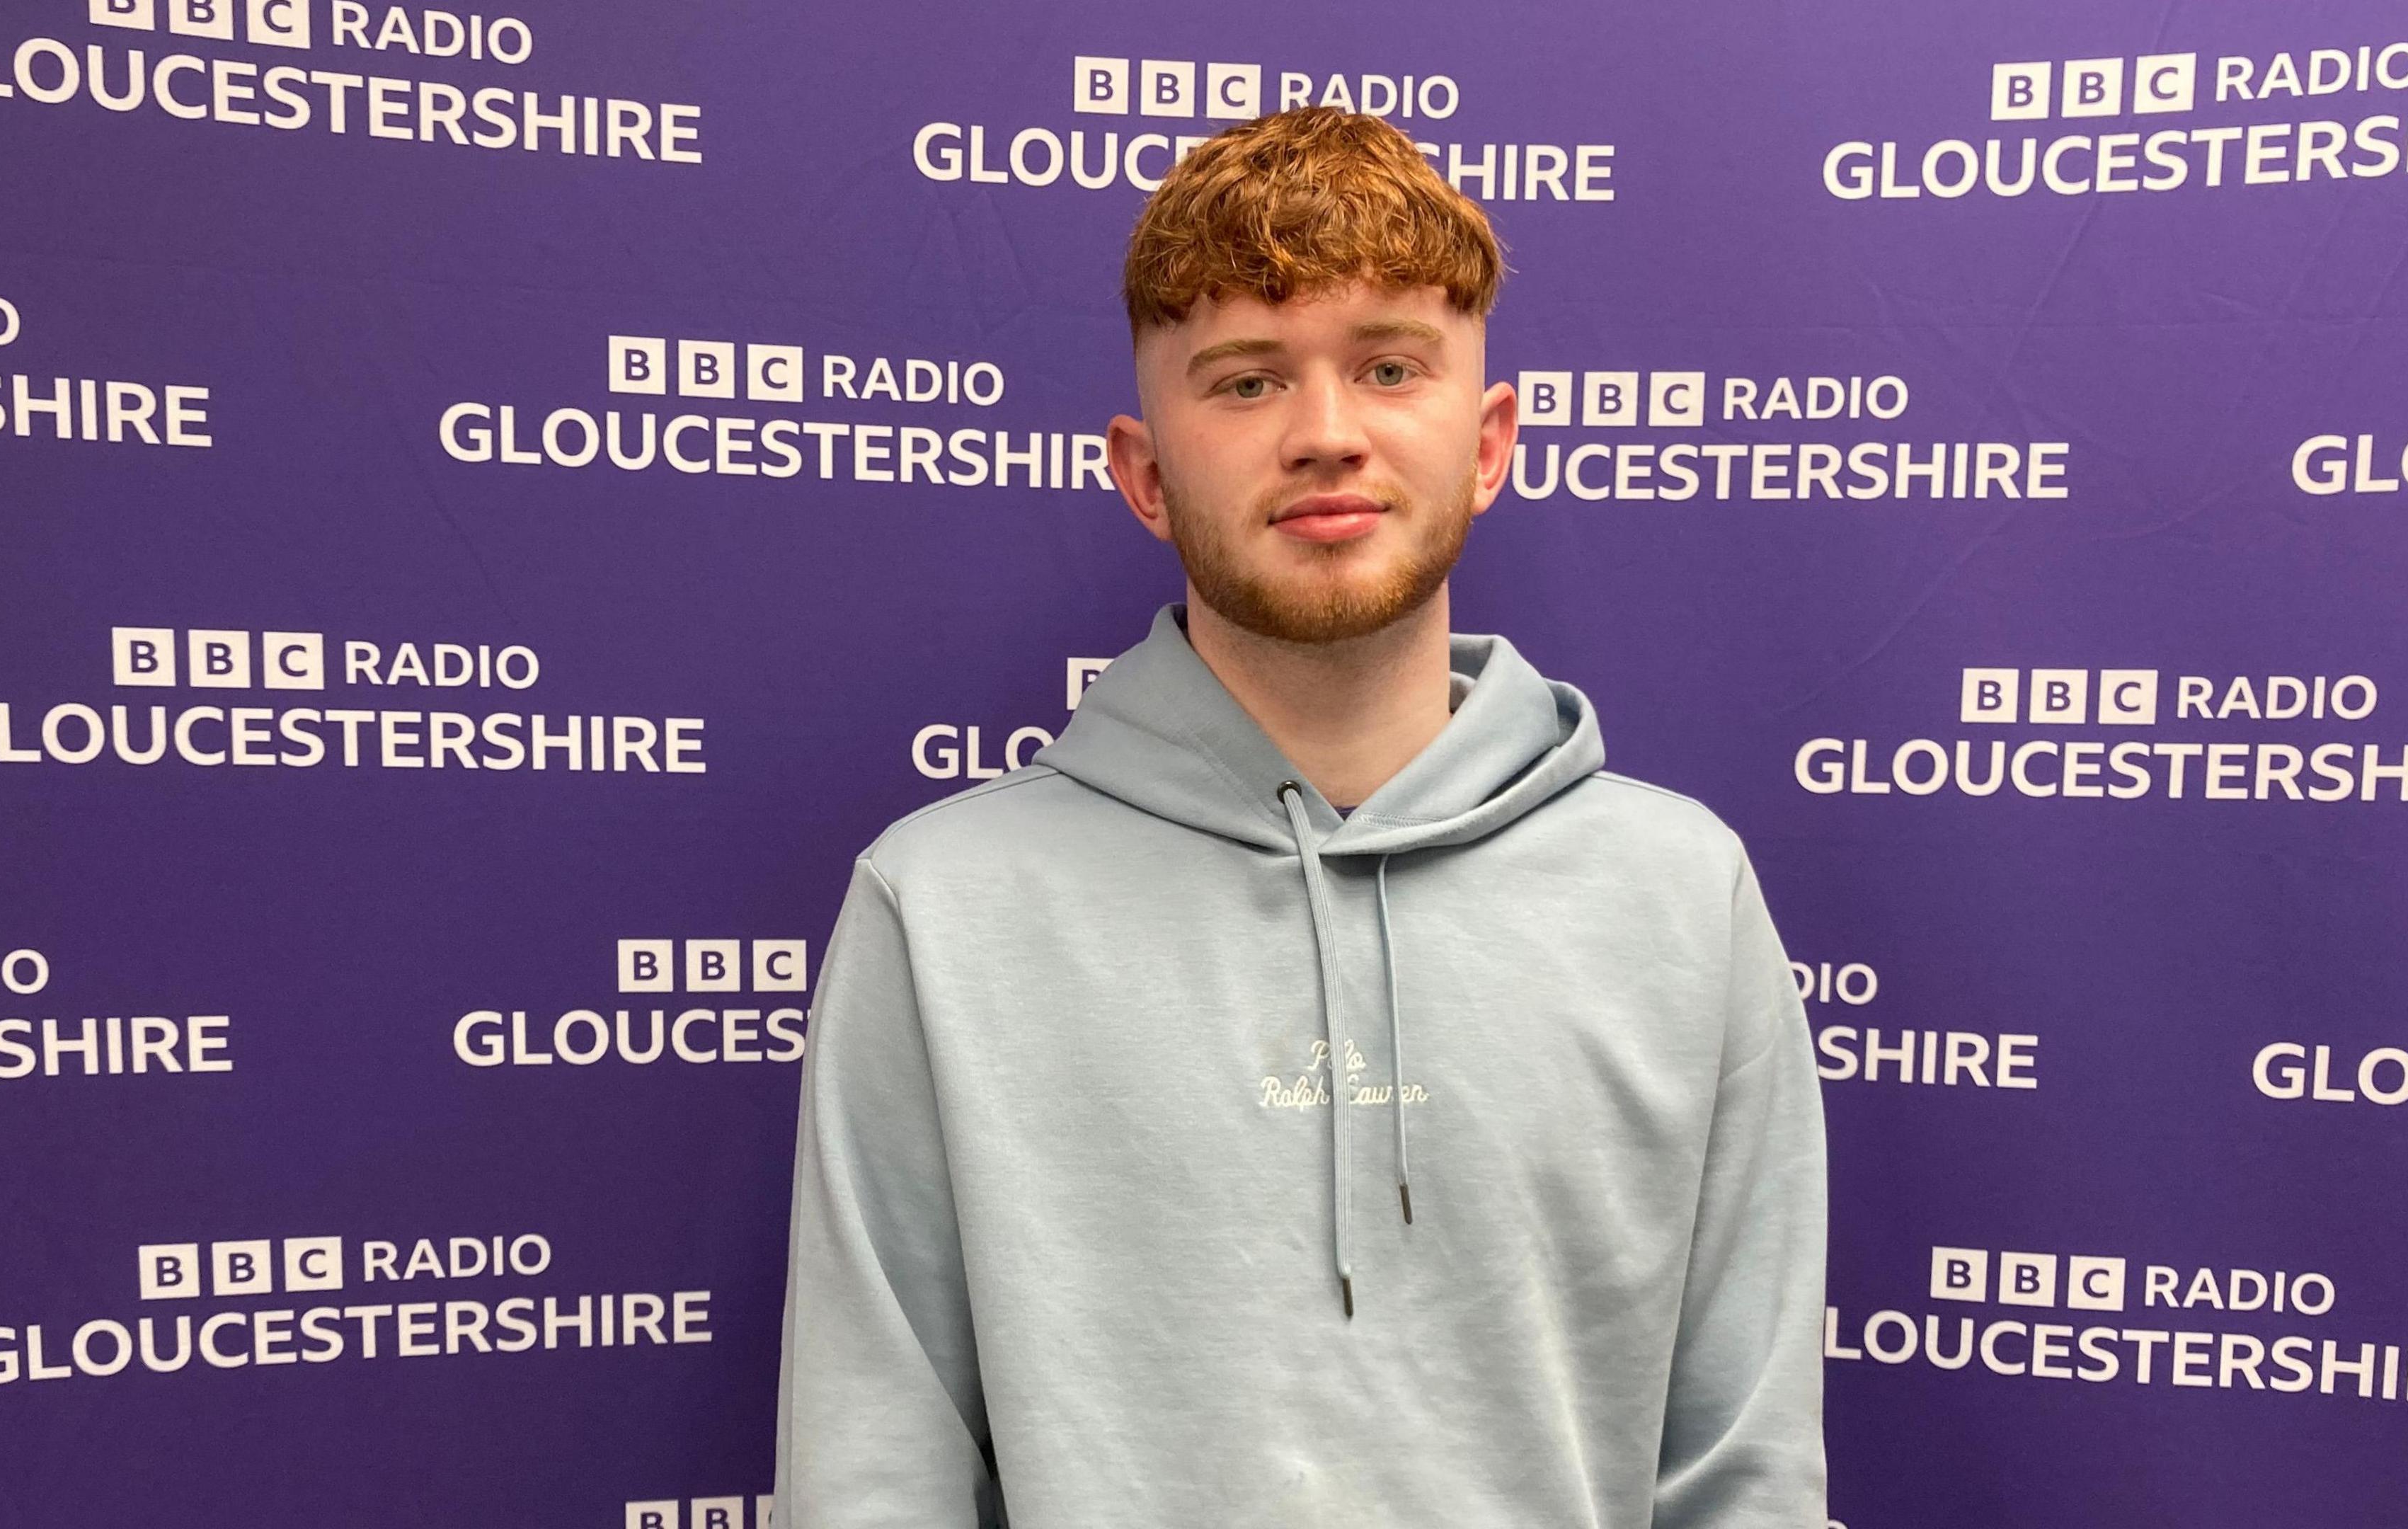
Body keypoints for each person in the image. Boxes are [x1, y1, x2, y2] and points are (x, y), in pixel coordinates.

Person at [774, 105, 1827, 1528]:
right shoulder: (942, 907)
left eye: (1390, 366)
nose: (1327, 435)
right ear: (1145, 474)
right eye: (1247, 381)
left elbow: (1743, 1474)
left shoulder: (1682, 896)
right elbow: (873, 1482)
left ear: (1491, 439)